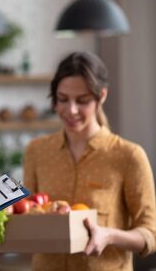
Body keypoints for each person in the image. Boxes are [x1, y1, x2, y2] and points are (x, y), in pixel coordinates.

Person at [23, 51, 156, 270]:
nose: (71, 110)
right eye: (62, 99)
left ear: (101, 96)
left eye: (82, 101)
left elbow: (150, 235)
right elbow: (27, 214)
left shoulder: (128, 155)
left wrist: (109, 236)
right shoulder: (37, 151)